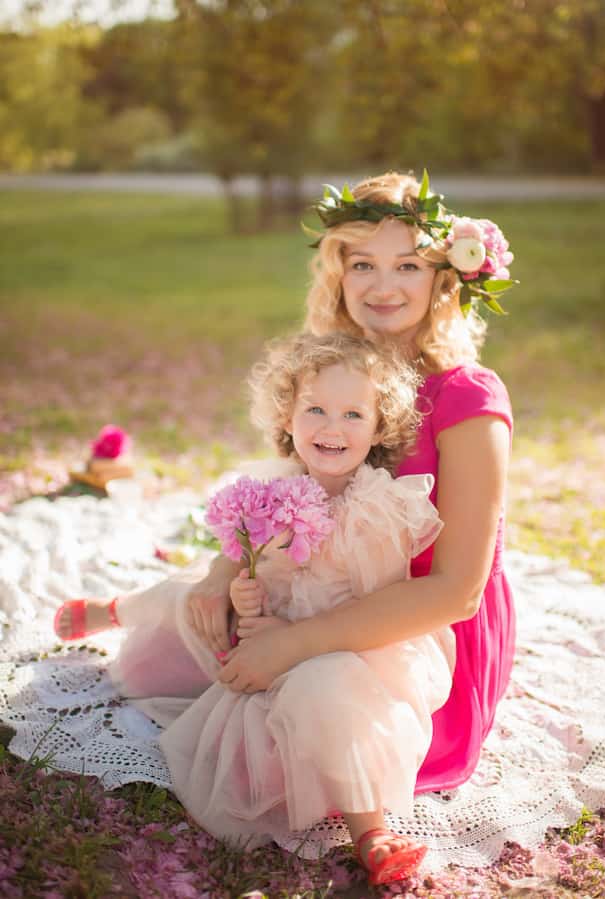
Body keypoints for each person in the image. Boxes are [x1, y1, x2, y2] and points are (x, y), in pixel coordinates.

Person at [53, 169, 515, 874]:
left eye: (408, 264)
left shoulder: (467, 397)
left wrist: (293, 644)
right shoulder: (334, 371)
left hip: (417, 626)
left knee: (315, 694)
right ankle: (126, 609)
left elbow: (457, 592)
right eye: (362, 262)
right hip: (319, 584)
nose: (382, 284)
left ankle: (373, 830)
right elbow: (281, 493)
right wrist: (220, 572)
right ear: (337, 273)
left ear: (443, 278)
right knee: (169, 641)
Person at [62, 331, 457, 885]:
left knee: (328, 693)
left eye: (352, 414)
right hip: (263, 632)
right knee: (187, 598)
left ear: (378, 427)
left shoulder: (378, 508)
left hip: (340, 649)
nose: (331, 426)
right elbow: (243, 563)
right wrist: (243, 591)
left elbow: (373, 612)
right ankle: (117, 609)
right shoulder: (273, 488)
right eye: (314, 408)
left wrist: (283, 631)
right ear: (288, 415)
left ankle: (372, 831)